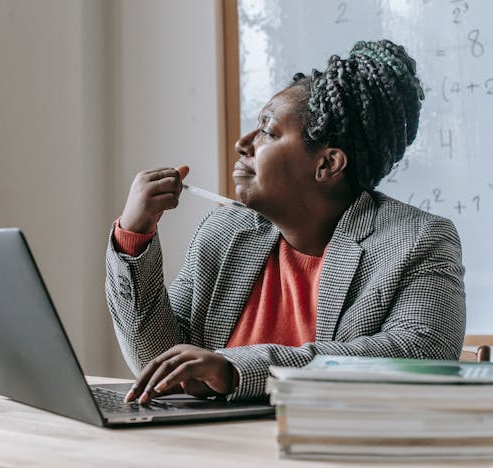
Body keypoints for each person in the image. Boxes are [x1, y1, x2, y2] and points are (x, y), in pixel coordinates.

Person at [105, 39, 466, 405]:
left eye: (268, 131)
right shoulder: (224, 233)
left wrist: (236, 370)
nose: (243, 144)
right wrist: (134, 235)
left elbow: (422, 354)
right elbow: (158, 366)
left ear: (327, 164)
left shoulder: (418, 240)